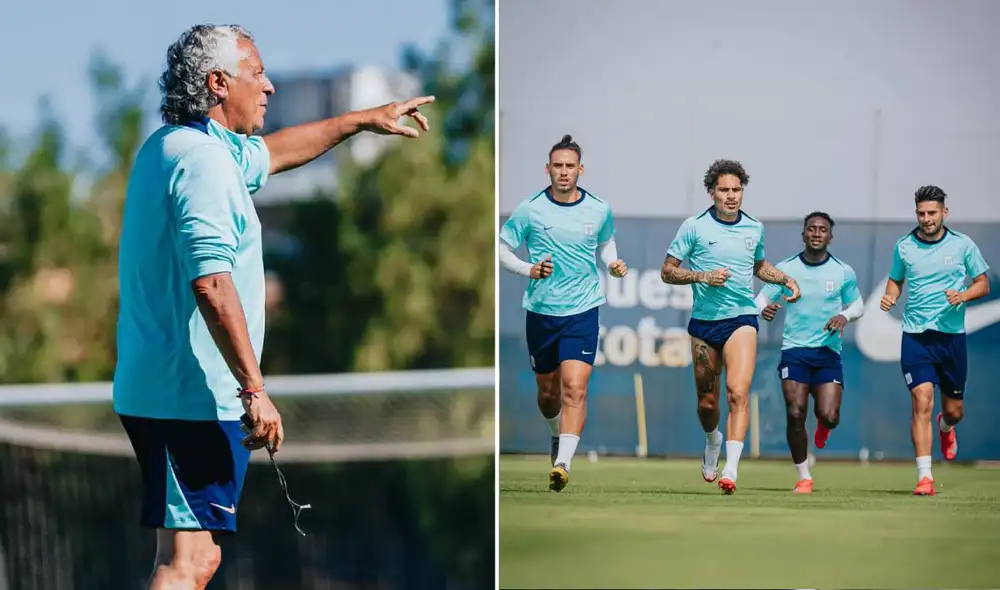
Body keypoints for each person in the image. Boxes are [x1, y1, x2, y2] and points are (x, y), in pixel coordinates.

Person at [113, 24, 434, 589]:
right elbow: (210, 283)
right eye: (256, 73)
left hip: (177, 391)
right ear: (218, 82)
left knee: (196, 558)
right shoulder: (203, 164)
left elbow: (275, 152)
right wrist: (254, 389)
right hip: (186, 394)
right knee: (186, 563)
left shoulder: (186, 147)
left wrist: (362, 118)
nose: (269, 87)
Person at [661, 159, 801, 495]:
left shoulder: (754, 227)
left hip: (741, 320)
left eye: (736, 189)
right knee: (707, 403)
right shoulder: (693, 226)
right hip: (704, 326)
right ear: (711, 192)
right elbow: (667, 271)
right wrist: (702, 276)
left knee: (738, 393)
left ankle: (732, 470)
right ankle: (713, 441)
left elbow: (759, 266)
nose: (731, 195)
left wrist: (785, 279)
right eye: (724, 189)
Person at [499, 134, 628, 492]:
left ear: (580, 170)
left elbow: (605, 244)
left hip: (583, 309)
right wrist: (529, 269)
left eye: (570, 166)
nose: (564, 172)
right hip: (542, 311)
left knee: (575, 387)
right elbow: (502, 248)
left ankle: (563, 463)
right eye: (558, 166)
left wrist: (612, 263)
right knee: (548, 394)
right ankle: (556, 432)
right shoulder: (530, 209)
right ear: (548, 169)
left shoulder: (599, 208)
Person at [880, 185, 990, 496]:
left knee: (954, 410)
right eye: (921, 213)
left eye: (932, 212)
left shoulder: (962, 245)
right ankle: (924, 477)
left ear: (944, 212)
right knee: (921, 402)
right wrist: (890, 296)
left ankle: (947, 427)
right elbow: (895, 280)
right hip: (916, 338)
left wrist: (963, 295)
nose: (926, 218)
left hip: (951, 339)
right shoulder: (904, 246)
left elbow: (982, 283)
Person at [756, 212, 864, 494]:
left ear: (830, 236)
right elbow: (762, 299)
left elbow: (858, 305)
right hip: (795, 352)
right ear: (803, 234)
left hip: (828, 353)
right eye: (811, 228)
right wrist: (763, 309)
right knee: (795, 412)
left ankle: (824, 426)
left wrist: (844, 316)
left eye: (823, 229)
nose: (817, 233)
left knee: (828, 415)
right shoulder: (785, 269)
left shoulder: (843, 271)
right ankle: (804, 476)